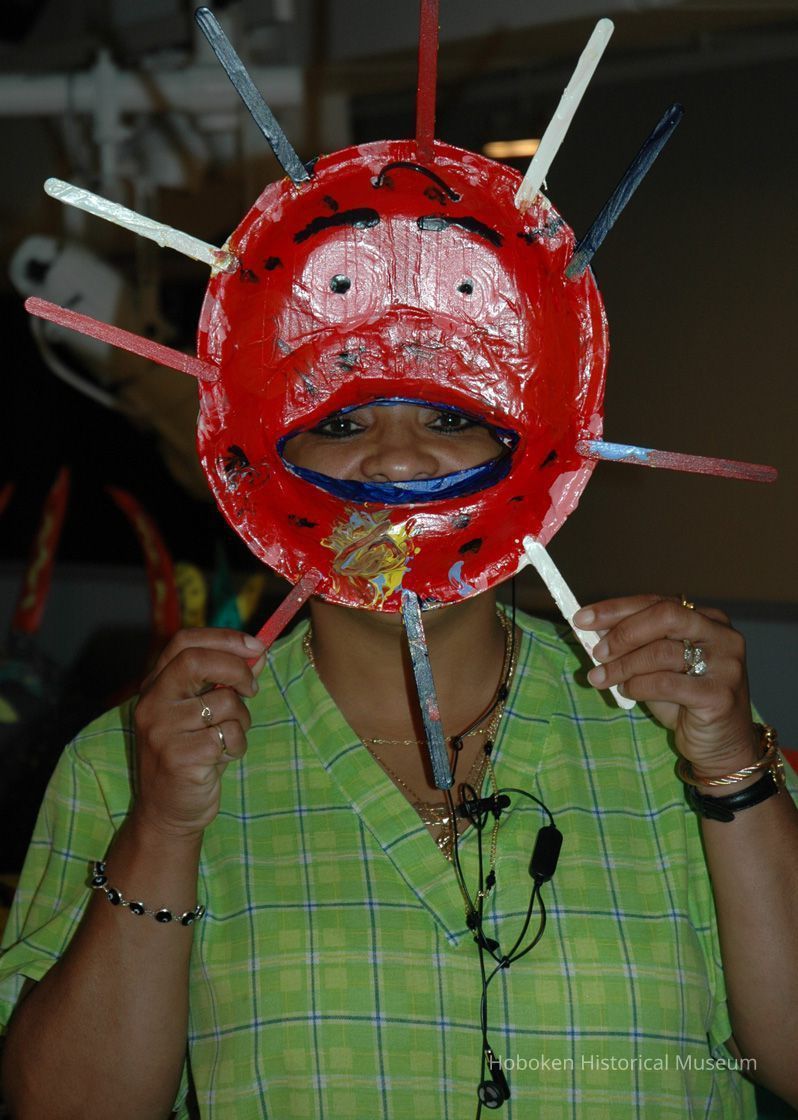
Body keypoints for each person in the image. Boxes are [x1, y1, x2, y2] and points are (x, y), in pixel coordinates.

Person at [1, 402, 797, 1120]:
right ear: (265, 471)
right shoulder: (136, 761)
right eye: (341, 424)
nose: (399, 460)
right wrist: (164, 829)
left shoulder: (667, 728)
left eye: (449, 419)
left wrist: (732, 767)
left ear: (530, 458)